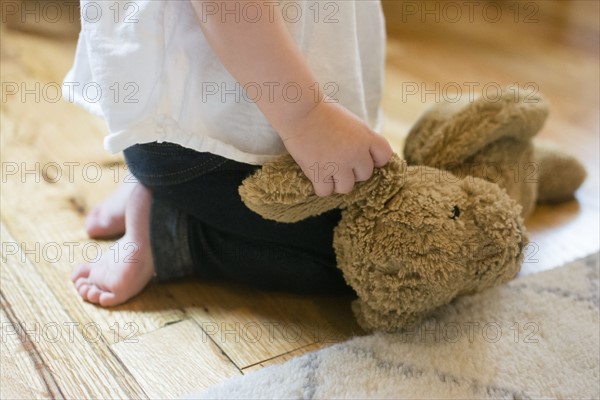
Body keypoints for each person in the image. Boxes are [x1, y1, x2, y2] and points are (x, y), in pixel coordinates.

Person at [65, 0, 393, 307]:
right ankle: (170, 228)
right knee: (376, 257)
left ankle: (153, 182)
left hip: (183, 128)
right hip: (211, 149)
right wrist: (308, 118)